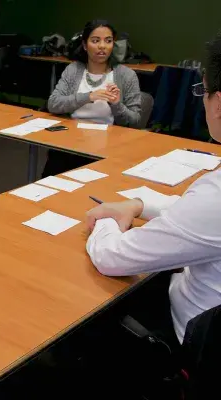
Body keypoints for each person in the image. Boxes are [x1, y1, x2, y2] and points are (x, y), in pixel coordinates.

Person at [85, 33, 221, 347]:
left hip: (191, 338)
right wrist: (138, 203)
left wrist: (106, 218)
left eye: (204, 91)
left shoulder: (125, 76)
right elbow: (196, 215)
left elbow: (111, 257)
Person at [43, 20, 141, 177]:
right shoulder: (73, 70)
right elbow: (53, 104)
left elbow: (135, 121)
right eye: (95, 41)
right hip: (71, 141)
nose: (102, 46)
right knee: (53, 179)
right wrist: (88, 96)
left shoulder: (126, 76)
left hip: (108, 146)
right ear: (84, 45)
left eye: (108, 41)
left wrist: (116, 104)